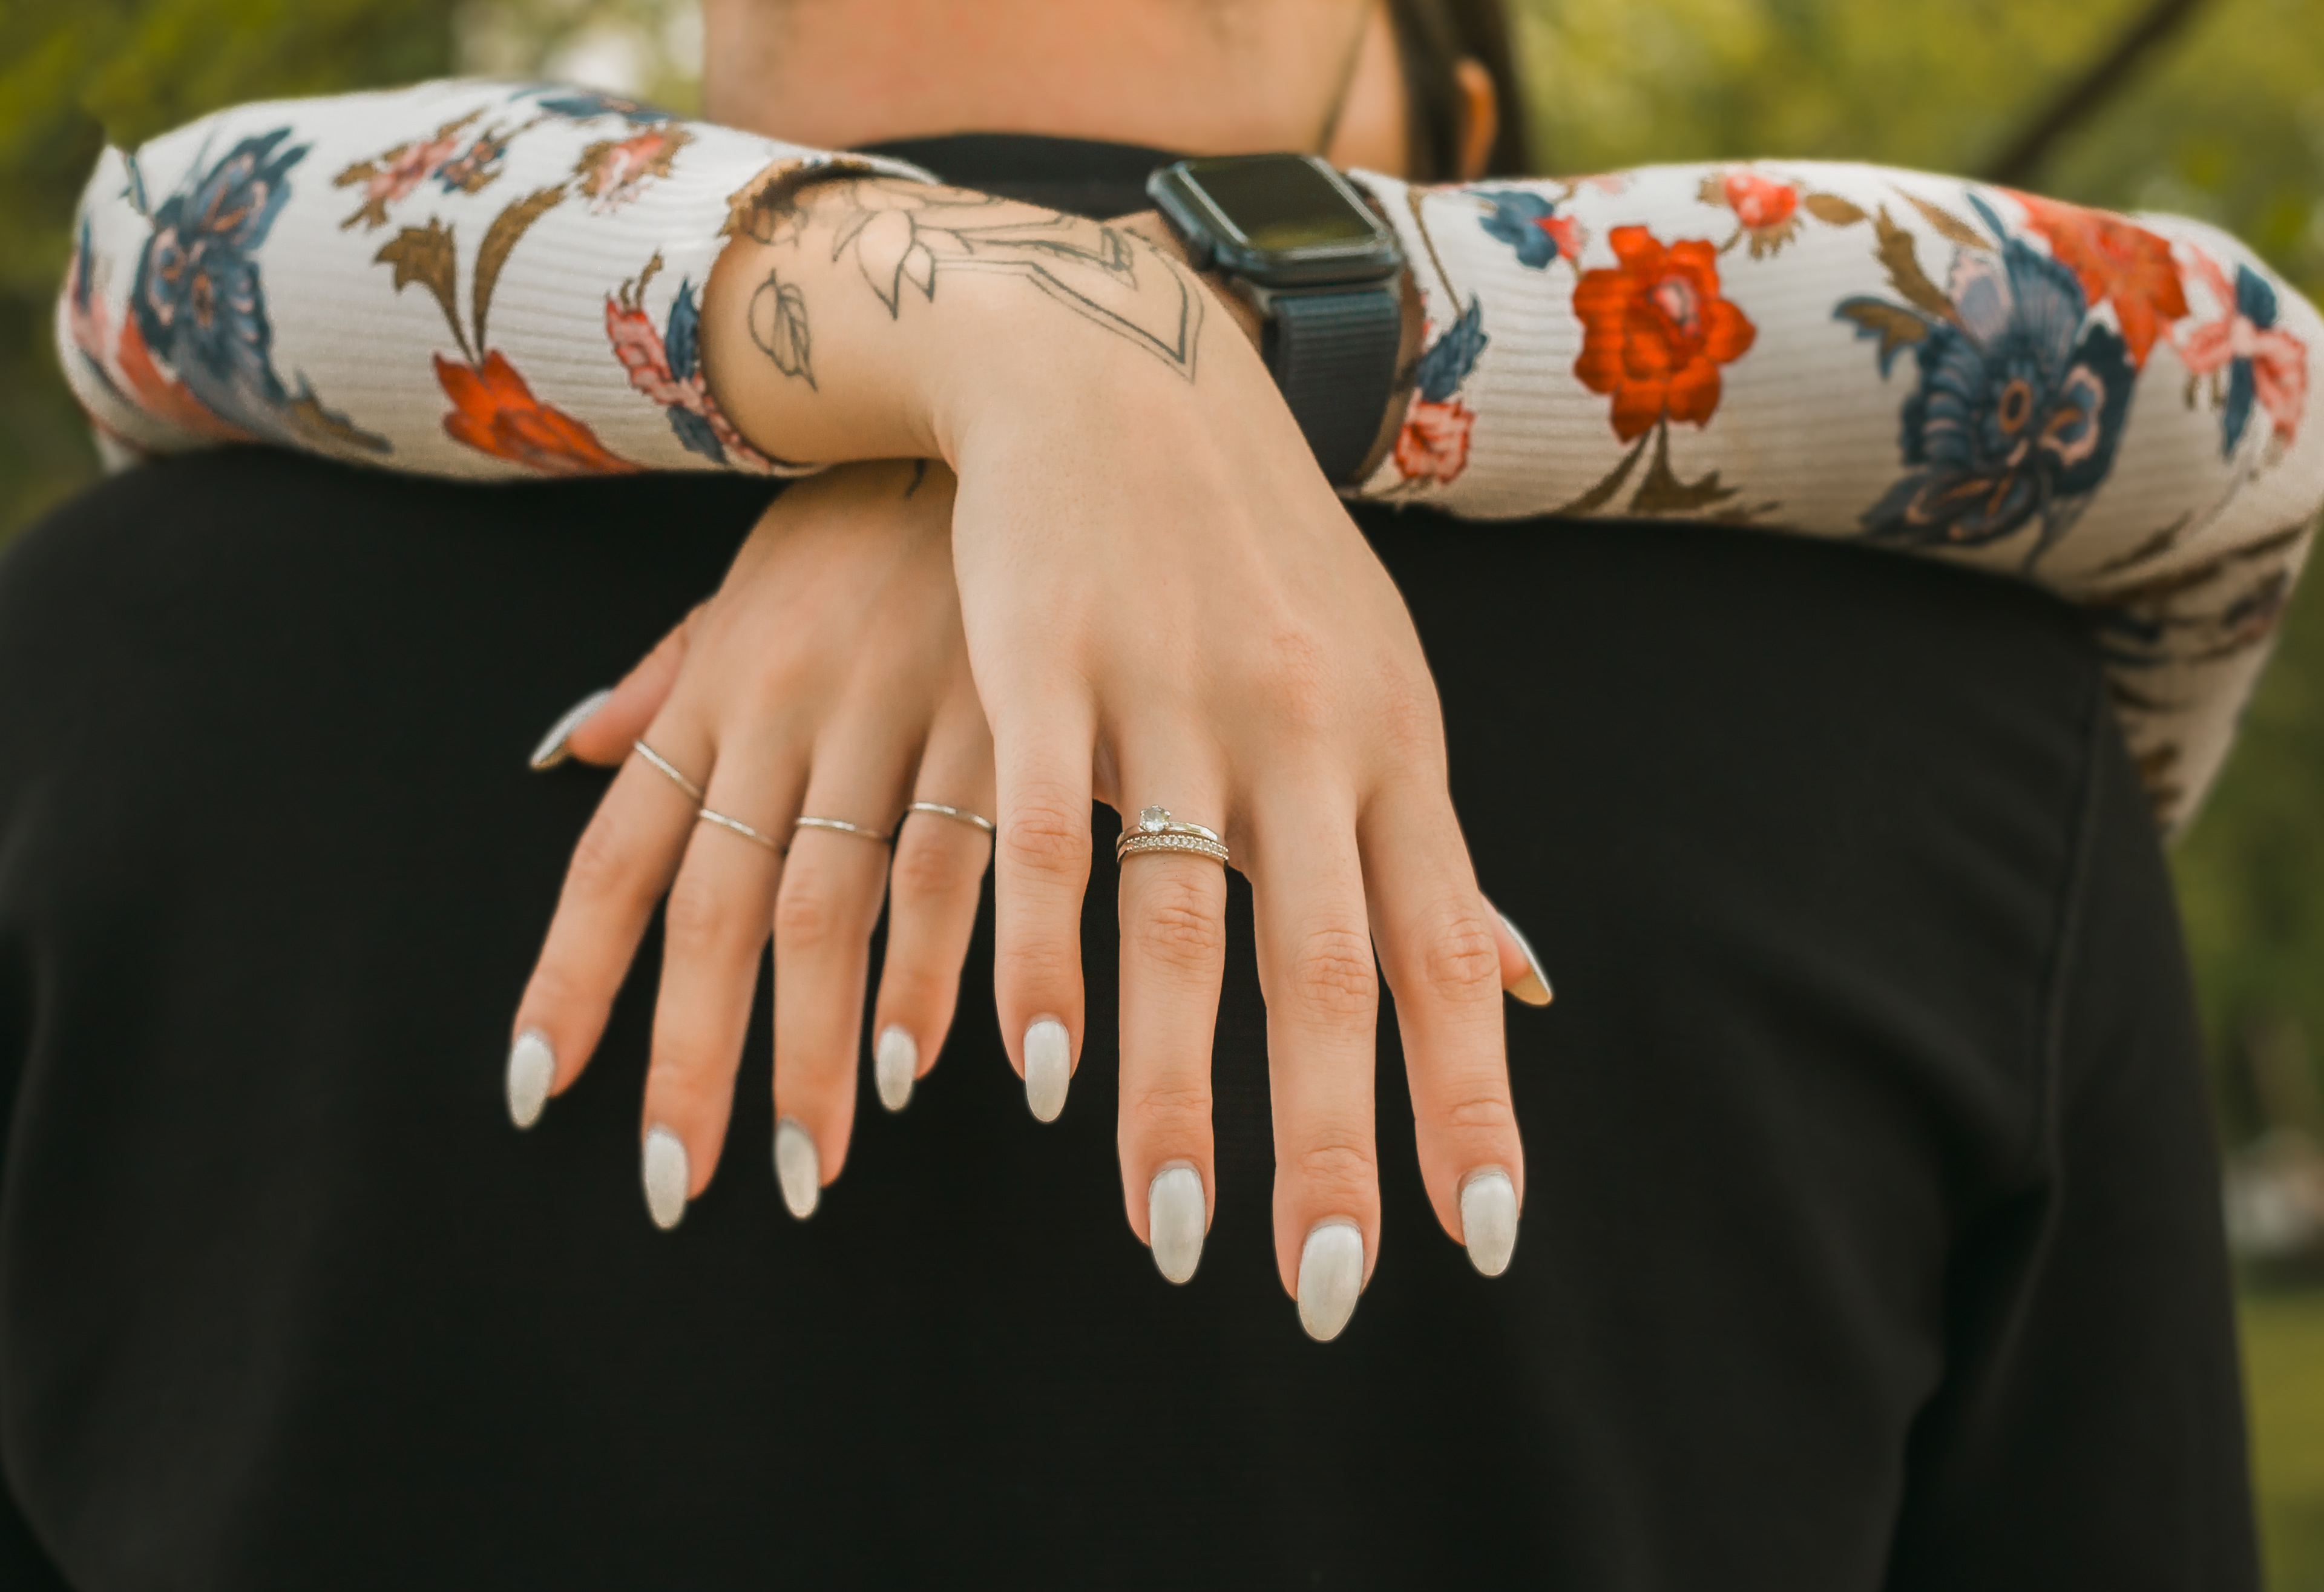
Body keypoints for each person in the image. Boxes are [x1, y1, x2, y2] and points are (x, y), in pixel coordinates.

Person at [4, 1, 2311, 1584]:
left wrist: (1023, 362)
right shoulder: (1974, 736)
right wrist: (1029, 371)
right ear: (1464, 137)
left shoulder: (81, 652)